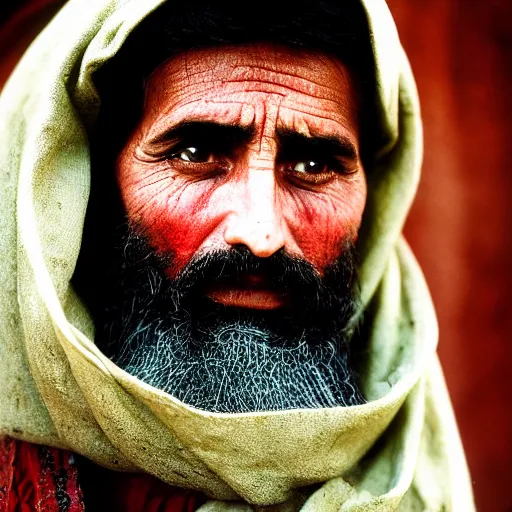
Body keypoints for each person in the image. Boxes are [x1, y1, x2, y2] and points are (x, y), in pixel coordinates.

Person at [0, 0, 475, 510]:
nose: (261, 232)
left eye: (313, 163)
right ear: (83, 185)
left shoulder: (411, 470)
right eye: (195, 153)